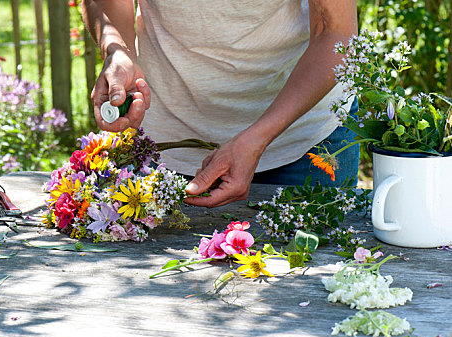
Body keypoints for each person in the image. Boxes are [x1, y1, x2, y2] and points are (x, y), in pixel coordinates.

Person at [82, 0, 359, 208]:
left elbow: (335, 32)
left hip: (304, 144)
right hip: (164, 147)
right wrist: (117, 50)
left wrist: (257, 138)